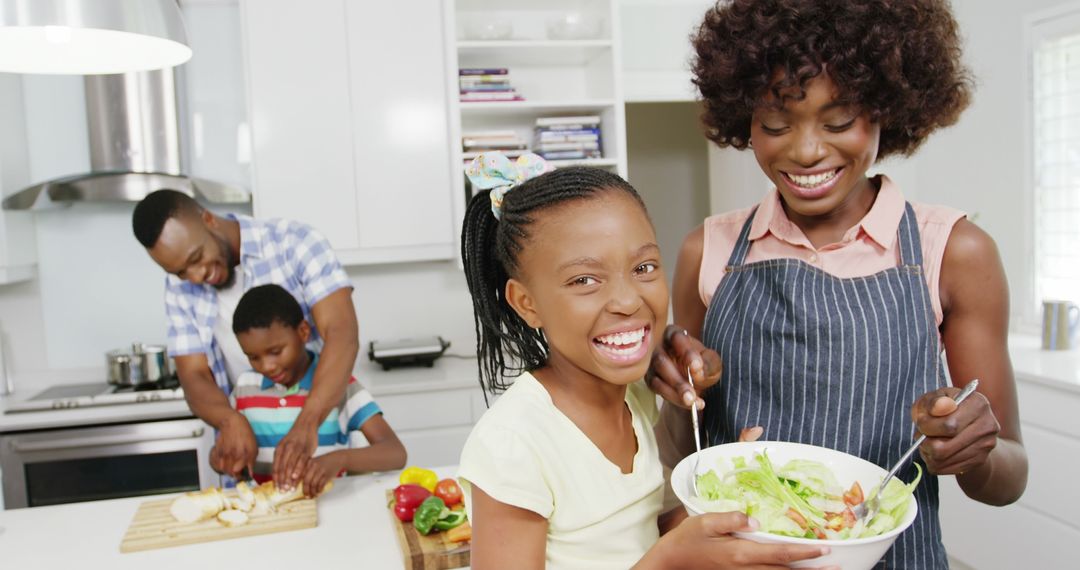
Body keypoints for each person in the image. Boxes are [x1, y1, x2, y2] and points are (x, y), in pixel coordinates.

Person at [647, 1, 1029, 568]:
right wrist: (682, 396)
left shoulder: (952, 251)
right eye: (776, 124)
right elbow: (684, 457)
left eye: (839, 121)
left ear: (887, 113)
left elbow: (1006, 481)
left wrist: (970, 448)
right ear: (744, 120)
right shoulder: (710, 250)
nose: (805, 151)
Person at [457, 153, 831, 569]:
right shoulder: (515, 443)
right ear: (526, 303)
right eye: (585, 280)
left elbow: (637, 533)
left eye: (644, 267)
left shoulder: (635, 399)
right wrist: (669, 561)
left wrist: (729, 493)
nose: (628, 300)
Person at [132, 189, 359, 490]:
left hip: (322, 445)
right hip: (253, 466)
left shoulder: (295, 243)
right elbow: (193, 374)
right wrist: (228, 420)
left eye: (197, 258)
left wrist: (307, 423)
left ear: (209, 219)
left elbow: (341, 333)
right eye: (181, 272)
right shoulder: (178, 287)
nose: (196, 276)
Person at [224, 284, 405, 495]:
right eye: (253, 357)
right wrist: (225, 459)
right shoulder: (245, 386)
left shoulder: (338, 385)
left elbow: (395, 453)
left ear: (303, 332)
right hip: (272, 517)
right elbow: (226, 451)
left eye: (275, 351)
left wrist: (340, 460)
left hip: (331, 509)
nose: (267, 366)